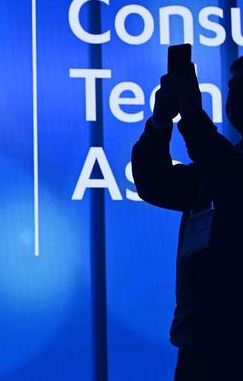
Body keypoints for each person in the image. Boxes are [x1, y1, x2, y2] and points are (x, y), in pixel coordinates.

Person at [131, 56, 243, 380]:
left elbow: (231, 180)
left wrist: (193, 116)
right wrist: (160, 124)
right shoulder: (226, 160)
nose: (233, 92)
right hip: (199, 341)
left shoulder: (225, 163)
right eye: (231, 86)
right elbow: (156, 185)